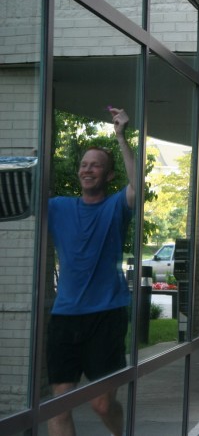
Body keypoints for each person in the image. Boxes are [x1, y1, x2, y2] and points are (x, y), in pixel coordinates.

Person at [47, 107, 135, 436]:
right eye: (84, 164)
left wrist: (120, 136)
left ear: (108, 175)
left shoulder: (116, 207)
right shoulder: (58, 208)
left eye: (96, 165)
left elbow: (136, 184)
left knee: (101, 404)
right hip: (65, 315)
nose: (88, 170)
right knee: (58, 404)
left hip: (106, 314)